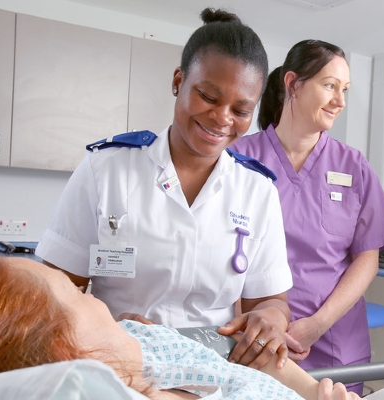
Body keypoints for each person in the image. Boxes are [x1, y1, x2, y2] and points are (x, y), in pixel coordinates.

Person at [34, 8, 293, 370]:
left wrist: (273, 320)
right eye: (208, 96)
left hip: (211, 371)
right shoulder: (106, 168)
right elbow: (55, 291)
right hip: (112, 362)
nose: (222, 118)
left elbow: (270, 301)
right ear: (178, 81)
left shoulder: (257, 190)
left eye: (241, 109)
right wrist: (107, 329)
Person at [0, 255, 359, 400]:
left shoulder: (143, 344)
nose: (93, 295)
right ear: (66, 350)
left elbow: (271, 367)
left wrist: (311, 389)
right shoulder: (108, 164)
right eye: (76, 293)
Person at [231, 40, 384, 394]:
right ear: (292, 84)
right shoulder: (237, 158)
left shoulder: (353, 166)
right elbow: (218, 250)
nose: (340, 100)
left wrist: (317, 324)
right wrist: (242, 322)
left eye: (345, 90)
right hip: (256, 336)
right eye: (330, 86)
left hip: (336, 341)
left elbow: (367, 258)